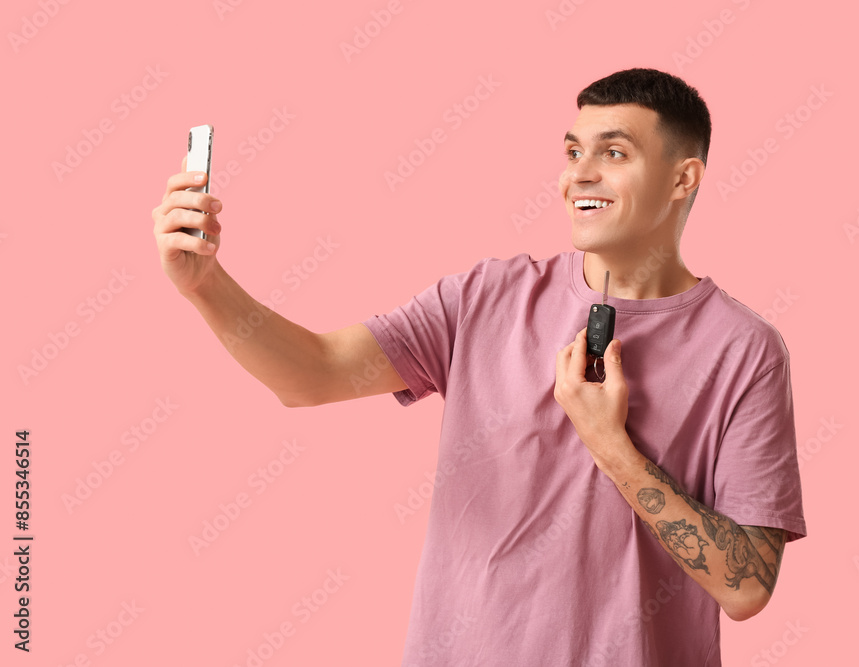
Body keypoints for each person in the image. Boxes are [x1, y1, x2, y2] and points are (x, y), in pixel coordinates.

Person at [152, 67, 806, 666]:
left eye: (613, 152)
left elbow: (746, 585)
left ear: (682, 178)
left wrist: (612, 444)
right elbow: (313, 373)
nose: (579, 174)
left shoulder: (743, 350)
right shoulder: (484, 298)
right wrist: (205, 284)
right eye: (573, 152)